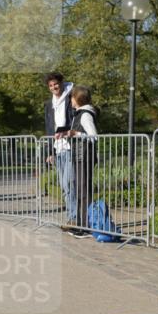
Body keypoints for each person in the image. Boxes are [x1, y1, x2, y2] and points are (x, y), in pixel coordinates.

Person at [56, 85, 98, 237]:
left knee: (83, 190)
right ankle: (80, 223)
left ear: (78, 99)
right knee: (79, 188)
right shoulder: (78, 114)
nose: (70, 101)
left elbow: (93, 136)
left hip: (84, 156)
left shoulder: (86, 114)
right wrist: (67, 133)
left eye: (72, 98)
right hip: (78, 155)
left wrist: (76, 133)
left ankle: (85, 226)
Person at [44, 72, 77, 225]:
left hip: (71, 146)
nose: (54, 87)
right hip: (58, 148)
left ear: (61, 83)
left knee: (69, 183)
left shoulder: (71, 98)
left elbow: (76, 120)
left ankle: (74, 218)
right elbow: (49, 129)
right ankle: (70, 216)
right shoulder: (49, 104)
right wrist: (50, 152)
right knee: (63, 186)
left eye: (55, 84)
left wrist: (70, 133)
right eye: (50, 86)